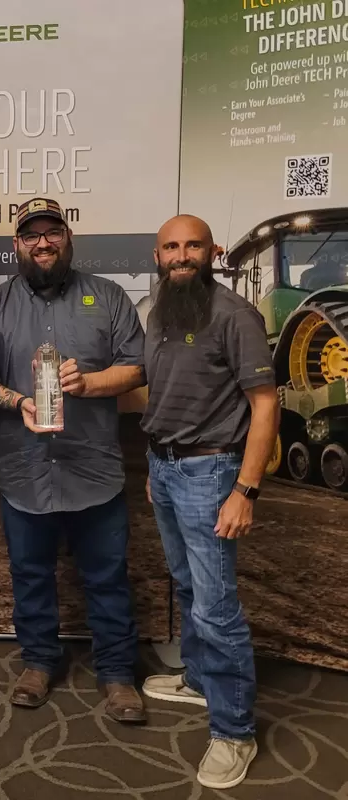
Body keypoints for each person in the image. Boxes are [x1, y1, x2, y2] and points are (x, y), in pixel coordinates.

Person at [0, 197, 148, 723]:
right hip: (24, 471)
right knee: (30, 574)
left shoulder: (108, 297)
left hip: (94, 470)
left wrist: (89, 383)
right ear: (17, 244)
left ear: (68, 238)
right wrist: (17, 401)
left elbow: (137, 368)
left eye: (52, 232)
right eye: (31, 235)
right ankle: (39, 661)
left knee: (107, 577)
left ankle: (117, 673)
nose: (42, 243)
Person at [140, 214, 280, 789]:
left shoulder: (235, 315)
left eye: (192, 245)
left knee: (216, 607)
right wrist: (158, 463)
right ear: (157, 256)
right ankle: (198, 681)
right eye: (171, 247)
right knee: (188, 585)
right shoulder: (161, 310)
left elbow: (265, 404)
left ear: (212, 252)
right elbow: (164, 391)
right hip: (166, 466)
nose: (181, 256)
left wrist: (244, 491)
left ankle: (234, 730)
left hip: (212, 471)